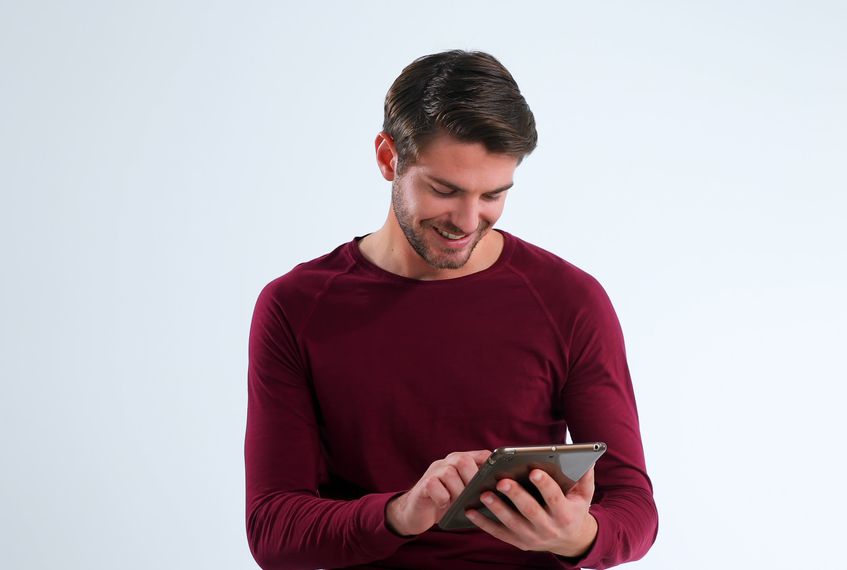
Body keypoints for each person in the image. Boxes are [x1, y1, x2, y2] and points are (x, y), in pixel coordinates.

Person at [245, 49, 658, 570]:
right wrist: (399, 514)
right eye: (445, 190)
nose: (468, 220)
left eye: (493, 195)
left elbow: (635, 509)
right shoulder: (295, 306)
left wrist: (576, 536)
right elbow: (273, 530)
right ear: (388, 158)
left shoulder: (569, 299)